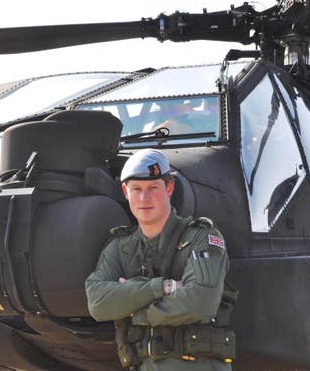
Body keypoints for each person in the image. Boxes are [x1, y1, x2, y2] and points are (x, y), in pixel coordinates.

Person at [85, 148, 235, 370]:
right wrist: (163, 287)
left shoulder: (201, 236)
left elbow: (200, 302)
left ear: (169, 188)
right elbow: (98, 303)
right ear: (125, 192)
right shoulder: (121, 246)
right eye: (136, 189)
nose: (144, 198)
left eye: (153, 188)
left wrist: (135, 311)